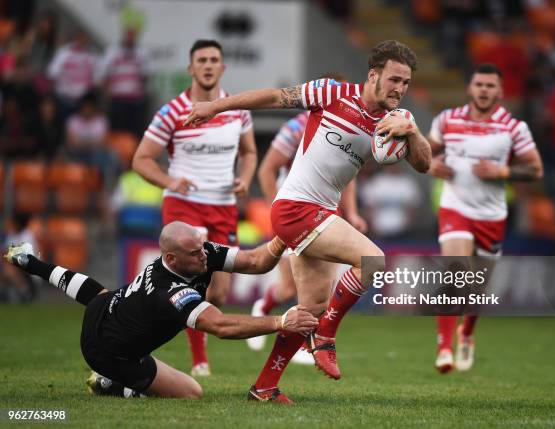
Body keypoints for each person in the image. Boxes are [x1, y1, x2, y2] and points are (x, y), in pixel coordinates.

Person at [185, 40, 432, 403]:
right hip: (294, 208)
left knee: (309, 310)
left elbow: (424, 164)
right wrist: (216, 106)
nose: (399, 88)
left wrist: (413, 132)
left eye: (406, 83)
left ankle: (264, 387)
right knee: (373, 260)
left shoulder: (393, 121)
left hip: (321, 215)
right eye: (394, 79)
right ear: (373, 75)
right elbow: (272, 97)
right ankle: (327, 335)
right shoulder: (332, 92)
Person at [4, 221, 317, 399]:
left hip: (107, 308)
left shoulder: (199, 251)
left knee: (98, 294)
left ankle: (30, 262)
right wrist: (280, 320)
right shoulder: (171, 293)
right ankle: (114, 384)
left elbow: (255, 261)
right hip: (109, 352)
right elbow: (220, 326)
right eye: (195, 254)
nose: (204, 258)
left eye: (202, 248)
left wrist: (283, 237)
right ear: (171, 259)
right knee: (192, 393)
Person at [132, 39, 257, 377]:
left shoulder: (237, 109)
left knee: (219, 290)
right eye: (201, 59)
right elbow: (141, 159)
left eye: (214, 59)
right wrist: (169, 182)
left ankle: (185, 339)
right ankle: (199, 360)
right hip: (183, 206)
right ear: (191, 68)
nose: (207, 65)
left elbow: (249, 152)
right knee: (189, 280)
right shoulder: (172, 111)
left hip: (223, 207)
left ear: (222, 67)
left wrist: (244, 178)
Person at [427, 63, 543, 373]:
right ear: (470, 88)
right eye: (479, 84)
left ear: (500, 92)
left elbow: (535, 169)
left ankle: (467, 332)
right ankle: (443, 347)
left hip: (491, 214)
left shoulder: (513, 128)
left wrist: (503, 171)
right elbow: (423, 151)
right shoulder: (447, 120)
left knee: (477, 289)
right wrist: (431, 165)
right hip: (455, 207)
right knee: (456, 272)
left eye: (490, 86)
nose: (484, 90)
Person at [247, 73, 368, 364]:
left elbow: (346, 177)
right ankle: (269, 309)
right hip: (295, 210)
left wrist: (352, 213)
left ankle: (283, 365)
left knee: (315, 298)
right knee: (297, 290)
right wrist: (272, 211)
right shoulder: (296, 127)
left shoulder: (354, 125)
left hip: (323, 212)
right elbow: (267, 169)